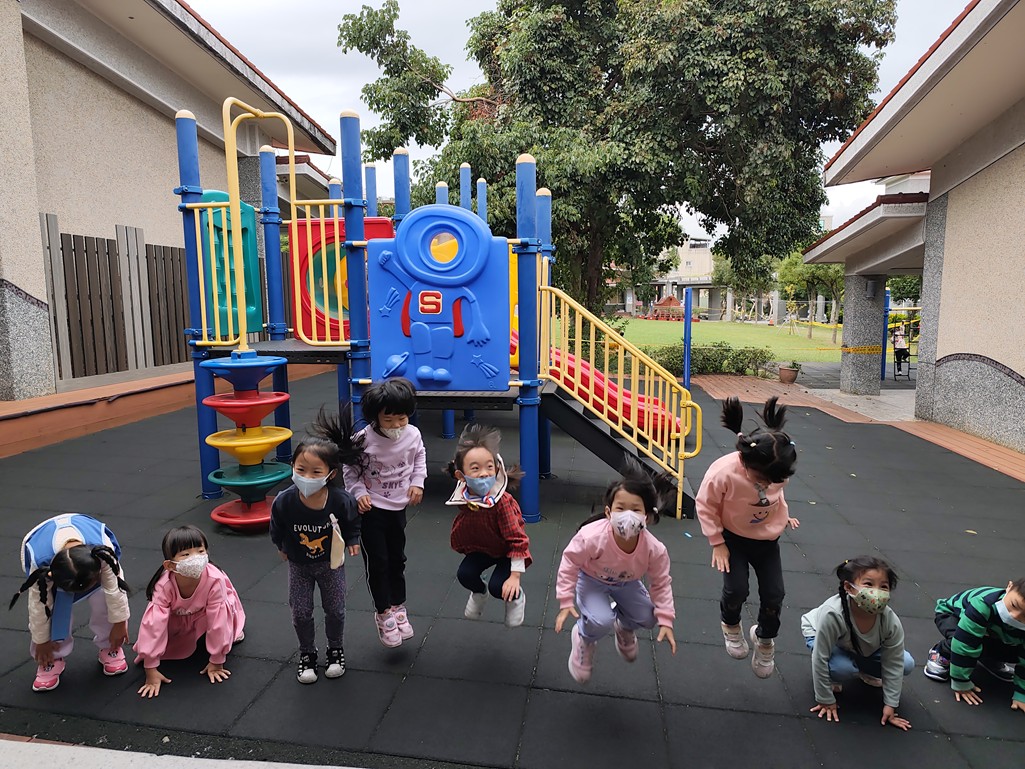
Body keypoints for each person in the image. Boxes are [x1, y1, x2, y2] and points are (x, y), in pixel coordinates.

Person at [695, 396, 799, 679]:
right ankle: (730, 625)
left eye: (771, 480)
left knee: (775, 594)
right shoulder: (723, 473)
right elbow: (705, 505)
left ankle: (764, 639)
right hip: (733, 539)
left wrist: (783, 515)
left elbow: (776, 495)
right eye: (760, 478)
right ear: (743, 460)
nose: (765, 484)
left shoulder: (774, 471)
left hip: (766, 541)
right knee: (737, 589)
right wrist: (717, 542)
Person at [555, 460, 677, 684]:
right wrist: (565, 599)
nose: (628, 516)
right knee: (600, 621)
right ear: (609, 512)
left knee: (649, 616)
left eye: (636, 509)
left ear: (646, 516)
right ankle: (584, 637)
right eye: (621, 508)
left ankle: (624, 626)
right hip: (592, 580)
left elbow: (660, 583)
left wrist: (666, 619)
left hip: (626, 583)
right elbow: (570, 562)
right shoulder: (592, 537)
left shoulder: (654, 549)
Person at [271, 408, 364, 684]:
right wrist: (281, 544)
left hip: (330, 563)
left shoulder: (340, 500)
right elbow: (277, 524)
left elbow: (352, 520)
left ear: (330, 474)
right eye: (301, 470)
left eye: (315, 472)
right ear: (292, 467)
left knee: (335, 609)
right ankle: (307, 653)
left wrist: (353, 540)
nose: (307, 477)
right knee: (300, 611)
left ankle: (335, 649)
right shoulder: (285, 500)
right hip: (299, 564)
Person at [342, 378, 426, 648]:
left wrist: (417, 482)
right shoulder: (363, 440)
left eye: (402, 418)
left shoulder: (412, 434)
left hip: (398, 508)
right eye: (389, 420)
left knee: (397, 559)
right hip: (372, 509)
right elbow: (350, 471)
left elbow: (420, 458)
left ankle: (398, 605)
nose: (396, 426)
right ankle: (383, 612)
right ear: (375, 418)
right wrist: (359, 493)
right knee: (378, 562)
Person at [9, 514, 130, 692]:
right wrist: (41, 641)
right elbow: (38, 606)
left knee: (105, 598)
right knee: (54, 609)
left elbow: (116, 591)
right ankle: (51, 657)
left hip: (89, 565)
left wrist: (119, 623)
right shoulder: (41, 562)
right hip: (55, 567)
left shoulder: (102, 552)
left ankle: (110, 646)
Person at [802, 556, 915, 731]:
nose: (876, 592)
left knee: (906, 663)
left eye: (883, 586)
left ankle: (864, 669)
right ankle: (833, 676)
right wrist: (825, 699)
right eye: (868, 584)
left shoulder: (890, 620)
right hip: (820, 633)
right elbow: (820, 657)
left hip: (857, 645)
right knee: (842, 669)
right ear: (849, 587)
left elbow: (894, 662)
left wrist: (891, 705)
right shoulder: (833, 614)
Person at [134, 525, 246, 698]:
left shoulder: (215, 579)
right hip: (180, 614)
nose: (195, 558)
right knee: (167, 637)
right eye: (185, 554)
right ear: (170, 565)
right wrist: (150, 667)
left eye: (200, 551)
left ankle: (232, 630)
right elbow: (153, 625)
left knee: (222, 618)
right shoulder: (164, 586)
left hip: (204, 611)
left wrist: (217, 660)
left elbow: (218, 619)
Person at [445, 424, 530, 627]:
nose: (484, 474)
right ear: (461, 476)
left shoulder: (502, 502)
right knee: (465, 575)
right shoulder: (465, 495)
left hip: (507, 551)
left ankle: (516, 597)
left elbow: (517, 539)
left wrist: (515, 577)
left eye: (489, 467)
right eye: (475, 468)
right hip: (483, 548)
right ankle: (479, 592)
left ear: (497, 468)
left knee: (499, 587)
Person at [922, 578, 1025, 714]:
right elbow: (964, 643)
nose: (1015, 616)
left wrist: (1021, 693)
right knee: (966, 640)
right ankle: (941, 652)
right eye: (1014, 605)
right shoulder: (983, 604)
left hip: (994, 632)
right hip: (954, 615)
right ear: (1009, 587)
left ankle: (989, 658)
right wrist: (961, 682)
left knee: (1015, 652)